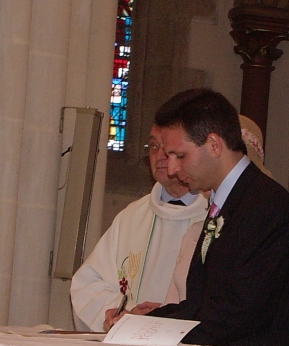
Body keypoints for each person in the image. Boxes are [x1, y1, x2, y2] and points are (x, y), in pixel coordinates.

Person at [109, 88, 289, 346]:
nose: (171, 169)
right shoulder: (227, 201)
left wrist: (156, 329)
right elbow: (209, 300)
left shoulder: (266, 206)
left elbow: (238, 314)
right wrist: (159, 316)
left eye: (180, 156)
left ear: (214, 145)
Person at [70, 124, 208, 332]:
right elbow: (88, 285)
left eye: (169, 149)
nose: (160, 156)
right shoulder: (131, 217)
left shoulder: (215, 216)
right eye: (153, 146)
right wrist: (121, 315)